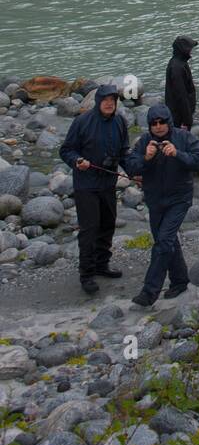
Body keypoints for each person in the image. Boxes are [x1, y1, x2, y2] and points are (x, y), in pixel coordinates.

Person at [127, 103, 199, 307]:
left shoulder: (184, 137)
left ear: (169, 122)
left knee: (163, 241)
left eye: (162, 122)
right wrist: (147, 157)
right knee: (167, 241)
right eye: (154, 123)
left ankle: (149, 292)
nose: (158, 126)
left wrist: (177, 154)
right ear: (149, 126)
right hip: (155, 200)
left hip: (179, 199)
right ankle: (180, 280)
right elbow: (131, 166)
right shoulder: (144, 141)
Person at [60, 85, 131, 296]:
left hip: (108, 184)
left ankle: (102, 264)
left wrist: (136, 172)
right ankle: (87, 274)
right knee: (89, 230)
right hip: (86, 185)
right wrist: (77, 161)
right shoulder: (82, 122)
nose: (109, 103)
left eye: (113, 99)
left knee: (108, 225)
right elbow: (66, 150)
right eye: (106, 99)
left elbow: (124, 153)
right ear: (98, 100)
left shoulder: (120, 122)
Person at [164, 35, 198, 129]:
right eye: (190, 48)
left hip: (180, 113)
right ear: (183, 50)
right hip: (179, 116)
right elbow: (181, 96)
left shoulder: (179, 62)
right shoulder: (177, 67)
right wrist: (187, 120)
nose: (191, 51)